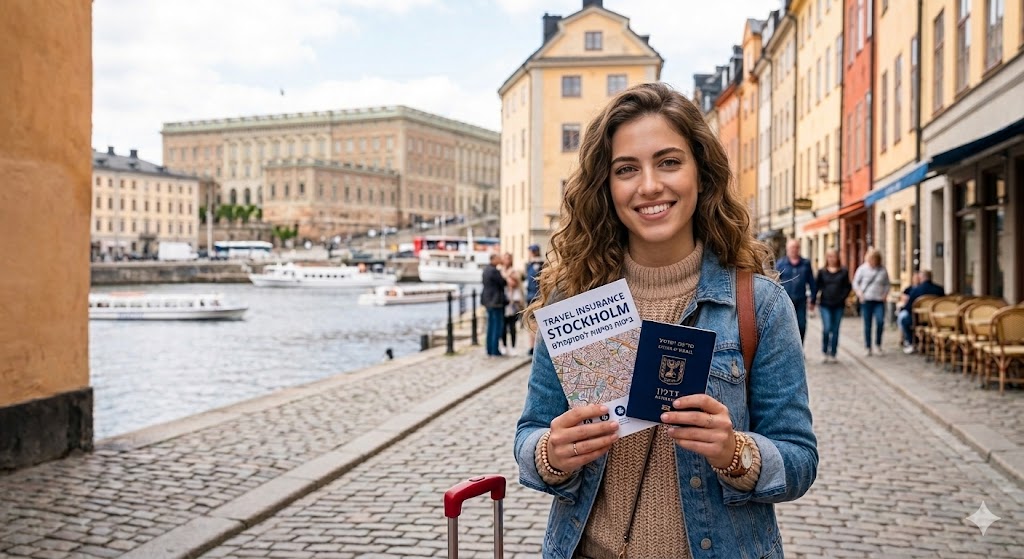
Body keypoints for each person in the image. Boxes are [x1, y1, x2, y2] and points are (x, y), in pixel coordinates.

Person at [515, 83, 817, 558]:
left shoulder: (759, 305)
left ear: (701, 172)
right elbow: (530, 435)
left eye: (669, 162)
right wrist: (551, 453)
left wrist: (735, 452)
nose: (650, 185)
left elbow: (799, 460)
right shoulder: (574, 300)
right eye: (626, 169)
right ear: (606, 186)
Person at [775, 238, 817, 344]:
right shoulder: (781, 263)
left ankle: (799, 346)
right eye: (791, 247)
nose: (793, 249)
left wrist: (813, 299)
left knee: (801, 325)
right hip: (785, 301)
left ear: (799, 248)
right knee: (786, 326)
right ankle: (788, 347)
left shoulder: (805, 263)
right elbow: (775, 282)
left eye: (796, 247)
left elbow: (811, 282)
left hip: (801, 300)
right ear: (787, 249)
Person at [815, 249, 852, 364]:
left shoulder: (843, 272)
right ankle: (825, 351)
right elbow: (817, 286)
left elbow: (848, 287)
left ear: (837, 258)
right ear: (826, 258)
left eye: (834, 256)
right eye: (829, 257)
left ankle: (833, 353)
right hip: (825, 304)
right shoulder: (822, 272)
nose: (831, 259)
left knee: (835, 329)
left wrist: (843, 297)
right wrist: (813, 300)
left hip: (838, 305)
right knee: (827, 328)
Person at [852, 248, 892, 356]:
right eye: (871, 259)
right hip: (866, 300)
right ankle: (868, 347)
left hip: (879, 300)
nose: (873, 261)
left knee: (880, 321)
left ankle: (878, 344)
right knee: (867, 324)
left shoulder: (882, 270)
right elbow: (855, 282)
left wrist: (885, 294)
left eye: (875, 259)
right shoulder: (862, 269)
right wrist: (859, 293)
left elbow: (887, 284)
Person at [900, 270, 944, 354]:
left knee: (904, 320)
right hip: (936, 320)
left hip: (919, 320)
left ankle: (911, 342)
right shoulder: (939, 290)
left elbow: (908, 307)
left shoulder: (916, 290)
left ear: (921, 278)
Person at [480, 253, 508, 357]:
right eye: (498, 258)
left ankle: (489, 349)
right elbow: (503, 283)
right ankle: (494, 349)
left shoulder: (486, 270)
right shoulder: (494, 271)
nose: (500, 260)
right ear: (493, 259)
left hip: (488, 300)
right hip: (496, 301)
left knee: (490, 326)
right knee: (496, 326)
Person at [500, 252, 525, 350]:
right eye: (505, 258)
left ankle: (513, 347)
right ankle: (504, 346)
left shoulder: (514, 271)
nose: (507, 260)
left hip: (513, 301)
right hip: (503, 300)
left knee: (512, 325)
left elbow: (514, 283)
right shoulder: (501, 270)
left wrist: (507, 278)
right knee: (503, 325)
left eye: (508, 258)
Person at [524, 244, 545, 356]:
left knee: (535, 323)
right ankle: (532, 346)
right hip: (532, 296)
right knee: (532, 322)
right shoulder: (531, 265)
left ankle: (535, 346)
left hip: (536, 296)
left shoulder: (538, 265)